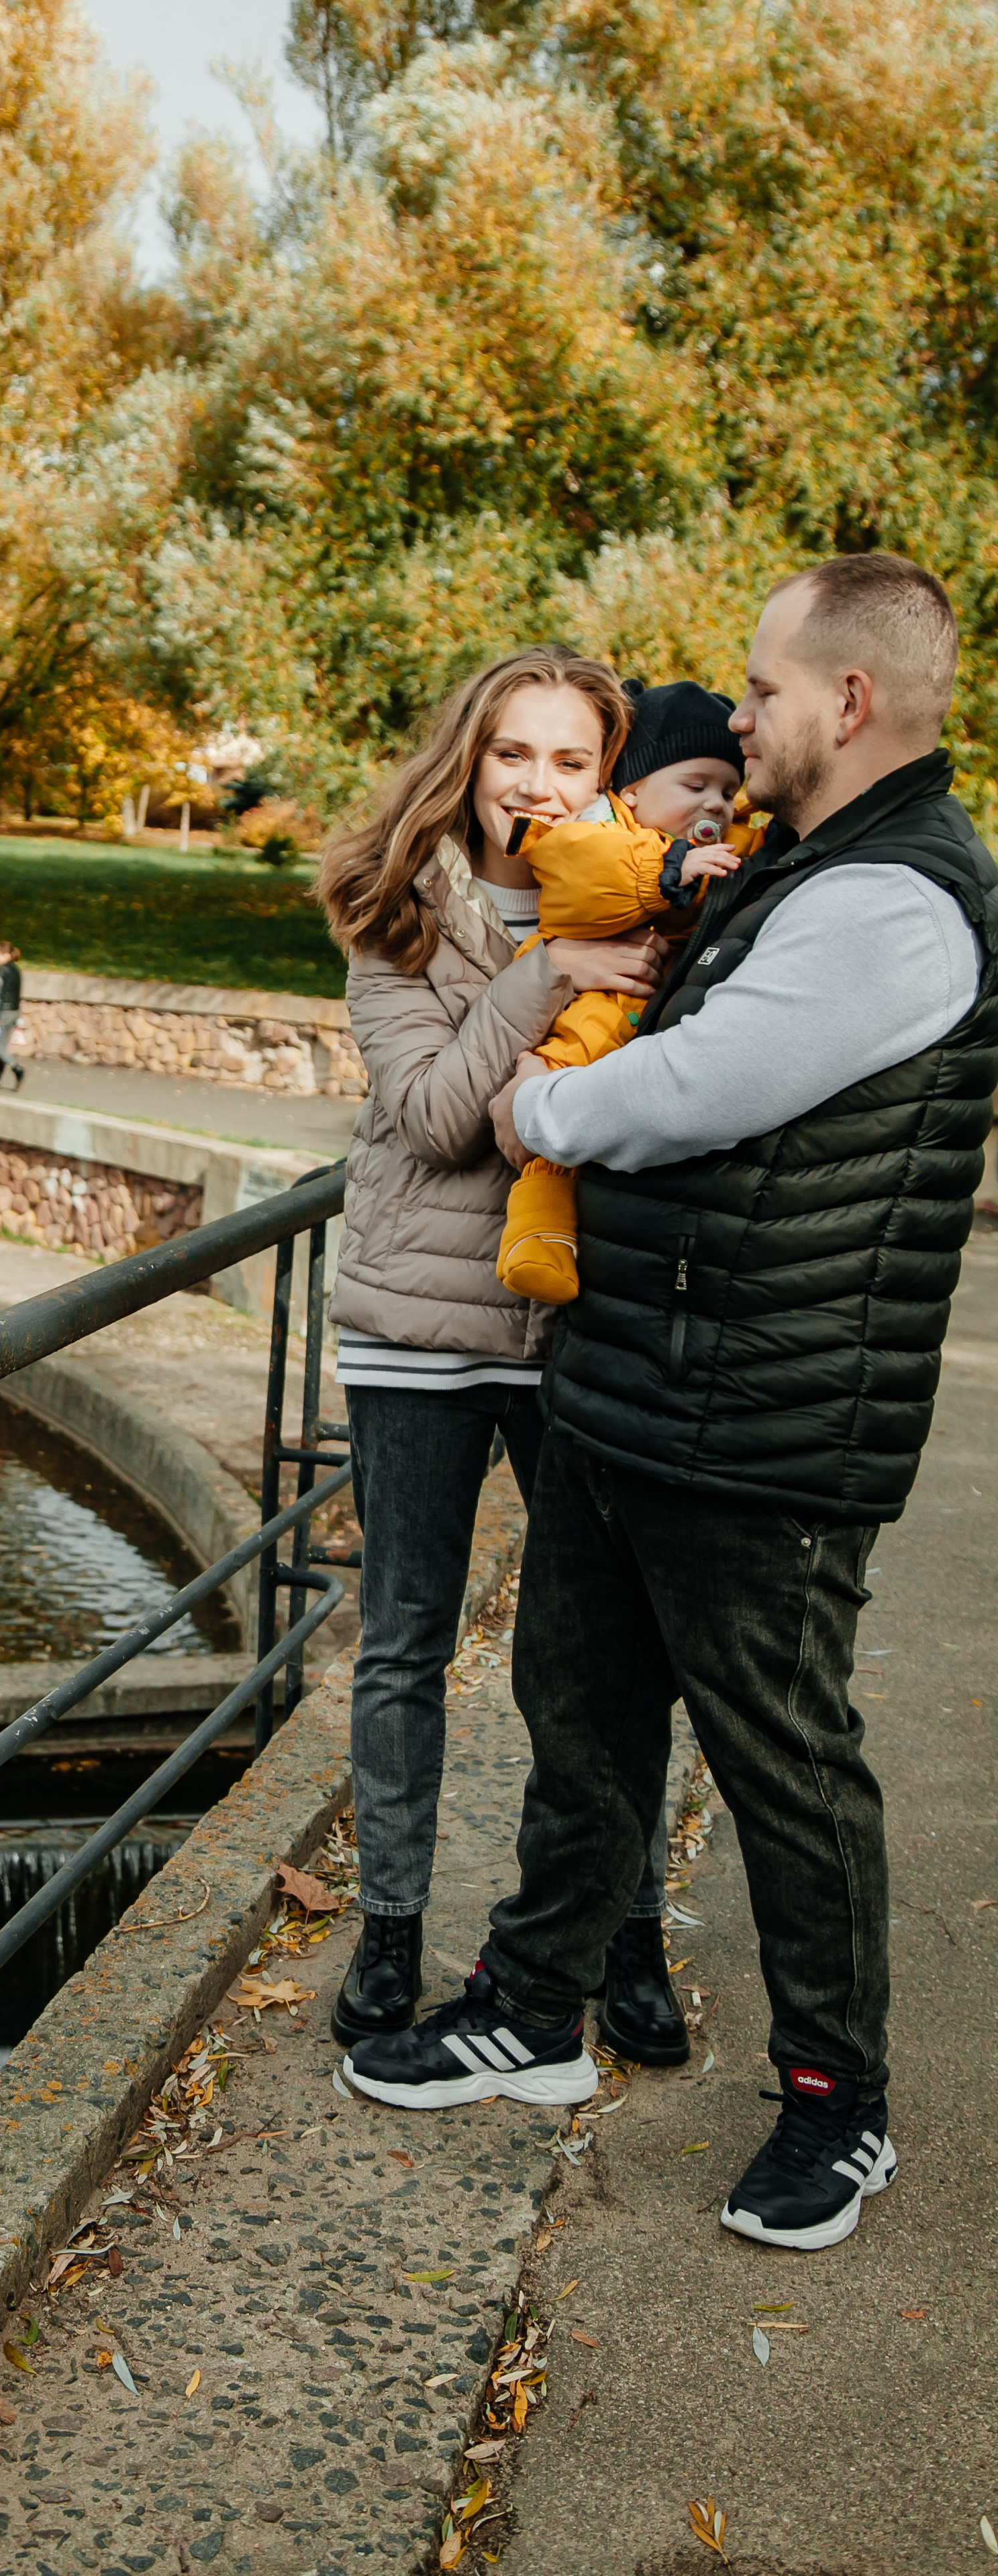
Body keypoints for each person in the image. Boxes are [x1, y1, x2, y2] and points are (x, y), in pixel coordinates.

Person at [343, 554, 998, 2257]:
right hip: (643, 1386)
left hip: (761, 1414)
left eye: (765, 688)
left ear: (845, 703)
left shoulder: (893, 896)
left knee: (784, 1760)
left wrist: (550, 1119)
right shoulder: (810, 865)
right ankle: (531, 2001)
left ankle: (831, 2099)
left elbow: (691, 1086)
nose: (739, 713)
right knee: (579, 1706)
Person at [317, 648, 684, 2065]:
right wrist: (544, 978)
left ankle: (623, 1935)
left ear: (606, 777)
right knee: (402, 1644)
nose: (536, 786)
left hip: (571, 1325)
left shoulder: (660, 904)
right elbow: (424, 1116)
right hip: (418, 1324)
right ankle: (390, 1928)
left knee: (600, 1655)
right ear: (465, 764)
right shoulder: (390, 914)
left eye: (568, 761)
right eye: (510, 755)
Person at [497, 684, 757, 1303]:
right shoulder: (596, 832)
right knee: (559, 1104)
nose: (715, 803)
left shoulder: (706, 843)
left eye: (727, 790)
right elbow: (589, 876)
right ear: (633, 790)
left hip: (642, 1013)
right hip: (586, 1011)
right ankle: (537, 1235)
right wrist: (669, 870)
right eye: (695, 786)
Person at [0, 940, 26, 1090]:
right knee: (3, 1046)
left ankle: (17, 1069)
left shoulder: (2, 971)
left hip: (3, 1012)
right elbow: (18, 994)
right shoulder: (17, 970)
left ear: (6, 955)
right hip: (14, 1012)